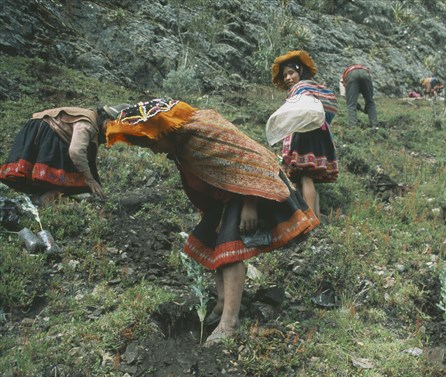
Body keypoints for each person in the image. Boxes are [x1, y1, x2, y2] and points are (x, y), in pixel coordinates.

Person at [106, 98, 320, 346]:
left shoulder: (200, 133)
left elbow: (254, 157)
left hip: (249, 190)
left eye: (149, 142)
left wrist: (250, 204)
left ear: (161, 131)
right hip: (229, 195)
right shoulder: (180, 145)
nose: (152, 149)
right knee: (211, 244)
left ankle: (230, 322)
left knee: (229, 251)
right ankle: (221, 303)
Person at [0, 104, 129, 204]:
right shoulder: (87, 124)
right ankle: (46, 196)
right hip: (45, 131)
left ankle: (46, 195)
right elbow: (76, 152)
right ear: (106, 119)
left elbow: (89, 158)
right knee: (69, 161)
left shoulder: (95, 127)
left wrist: (92, 179)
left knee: (79, 164)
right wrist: (89, 179)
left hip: (52, 133)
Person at [271, 50, 338, 217]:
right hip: (321, 136)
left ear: (300, 71)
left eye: (291, 73)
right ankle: (314, 218)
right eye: (285, 75)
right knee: (308, 178)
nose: (287, 78)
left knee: (305, 177)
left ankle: (310, 219)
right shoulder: (314, 89)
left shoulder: (300, 88)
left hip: (304, 136)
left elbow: (296, 115)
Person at [339, 64, 378, 129]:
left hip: (351, 75)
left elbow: (344, 95)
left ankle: (353, 126)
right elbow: (370, 96)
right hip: (365, 73)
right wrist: (365, 107)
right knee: (370, 102)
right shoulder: (363, 70)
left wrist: (357, 106)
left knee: (351, 105)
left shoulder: (342, 79)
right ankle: (375, 125)